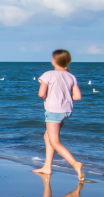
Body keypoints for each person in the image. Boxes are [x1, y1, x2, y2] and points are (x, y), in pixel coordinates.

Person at [32, 50, 85, 180]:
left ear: (54, 61)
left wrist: (49, 96)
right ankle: (47, 167)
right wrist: (64, 96)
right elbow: (77, 96)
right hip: (66, 111)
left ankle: (75, 163)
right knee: (47, 136)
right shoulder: (71, 76)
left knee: (55, 141)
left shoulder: (48, 74)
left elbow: (41, 94)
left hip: (54, 111)